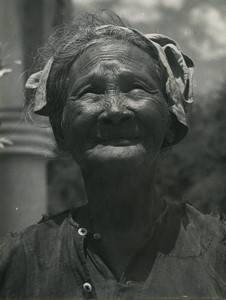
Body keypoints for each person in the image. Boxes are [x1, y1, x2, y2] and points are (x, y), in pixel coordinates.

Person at [0, 11, 226, 300]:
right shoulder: (15, 265)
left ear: (170, 120)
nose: (115, 110)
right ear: (61, 130)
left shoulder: (218, 251)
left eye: (136, 88)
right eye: (89, 92)